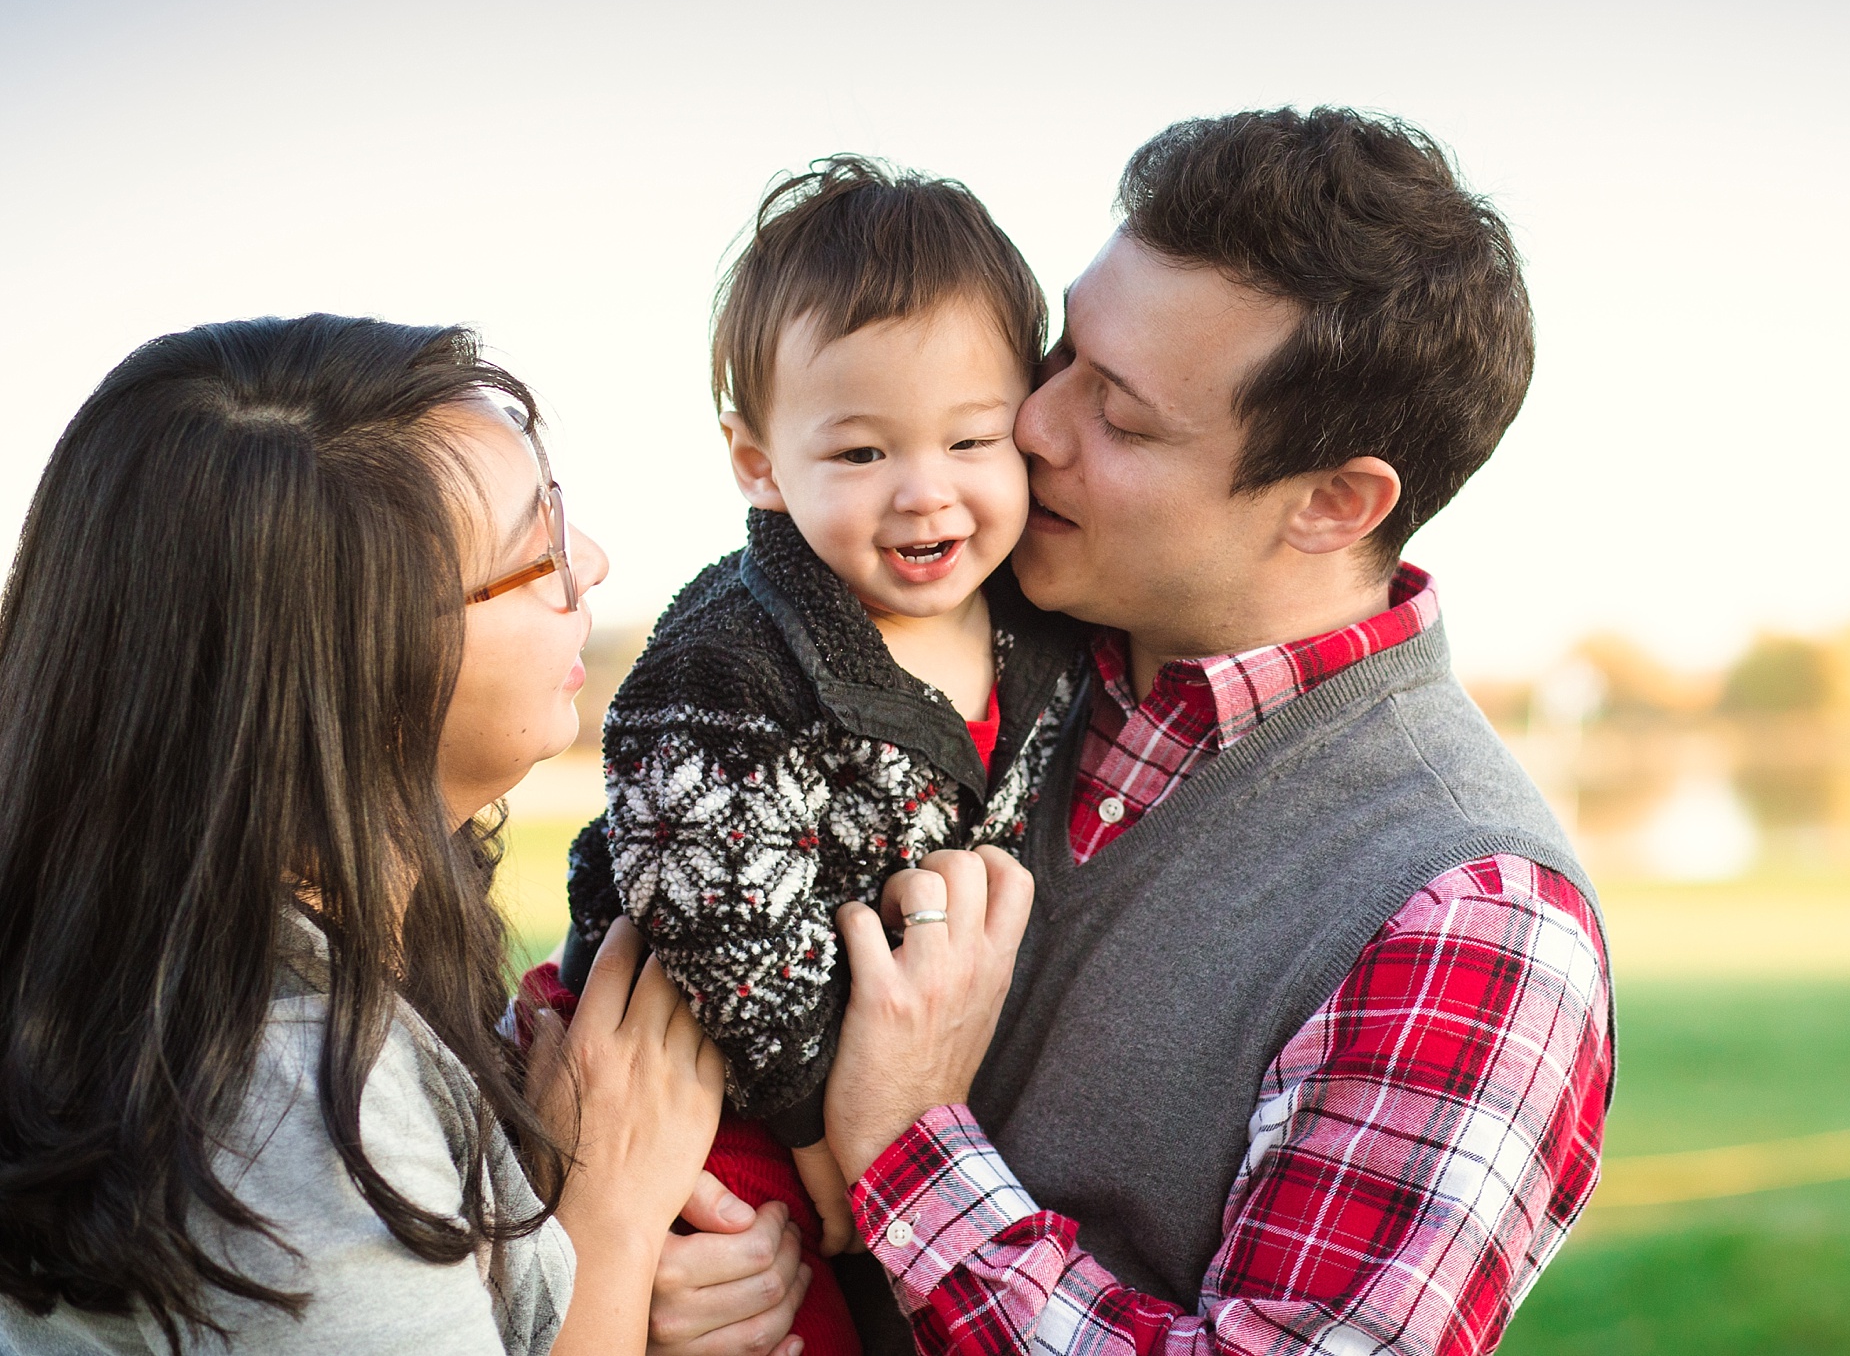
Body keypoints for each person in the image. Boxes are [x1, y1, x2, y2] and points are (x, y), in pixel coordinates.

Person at [820, 107, 1617, 1356]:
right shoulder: (937, 636)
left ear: (1330, 503)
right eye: (1059, 354)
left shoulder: (1467, 913)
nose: (1032, 425)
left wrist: (907, 1156)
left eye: (1121, 418)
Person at [0, 315, 806, 1355]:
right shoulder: (294, 1121)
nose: (591, 563)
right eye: (539, 549)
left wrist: (602, 1291)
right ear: (352, 664)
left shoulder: (237, 981)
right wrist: (609, 1225)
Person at [544, 156, 1082, 1355]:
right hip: (716, 1099)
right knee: (781, 1323)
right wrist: (823, 1143)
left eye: (969, 440)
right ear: (756, 463)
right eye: (860, 456)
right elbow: (717, 913)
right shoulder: (730, 660)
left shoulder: (1038, 621)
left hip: (895, 1095)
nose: (924, 493)